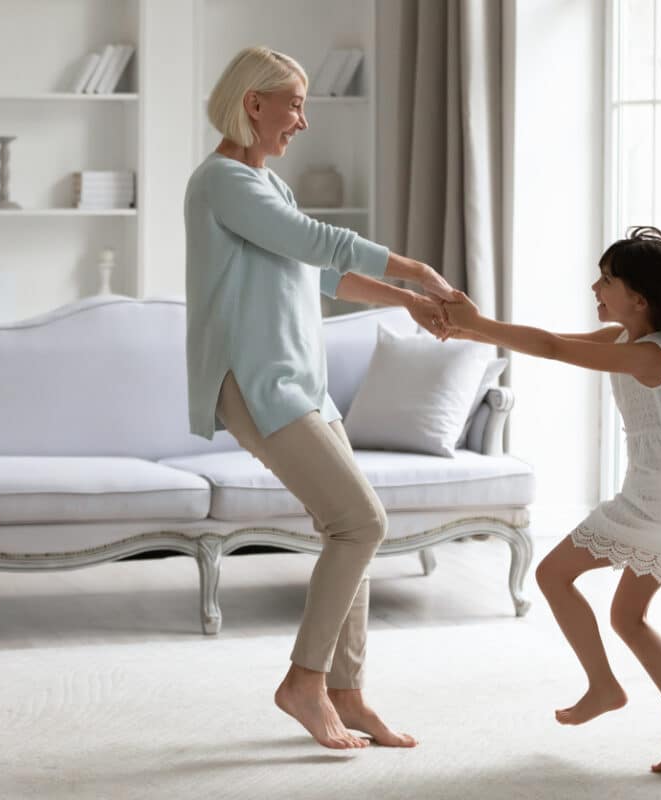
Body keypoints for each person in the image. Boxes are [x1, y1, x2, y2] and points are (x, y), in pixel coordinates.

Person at [184, 45, 459, 751]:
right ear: (255, 104)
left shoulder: (266, 186)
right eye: (295, 104)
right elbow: (320, 241)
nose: (302, 121)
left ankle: (346, 691)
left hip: (302, 382)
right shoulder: (221, 183)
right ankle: (304, 681)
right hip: (257, 382)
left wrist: (408, 306)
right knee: (360, 523)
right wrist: (417, 271)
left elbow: (324, 273)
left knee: (354, 530)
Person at [441, 226, 661, 771]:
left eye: (606, 281)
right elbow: (550, 337)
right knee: (627, 616)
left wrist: (476, 324)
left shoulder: (649, 354)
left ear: (639, 298)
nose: (595, 288)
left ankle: (602, 686)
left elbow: (551, 349)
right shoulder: (635, 342)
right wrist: (472, 329)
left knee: (553, 575)